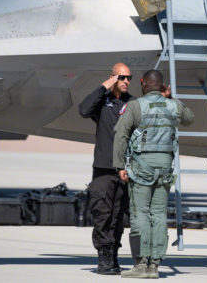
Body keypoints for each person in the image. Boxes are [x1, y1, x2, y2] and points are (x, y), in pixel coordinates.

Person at [113, 70, 194, 279]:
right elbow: (189, 118)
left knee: (141, 213)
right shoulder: (172, 105)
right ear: (163, 86)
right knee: (158, 214)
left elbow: (121, 135)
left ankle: (141, 265)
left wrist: (119, 165)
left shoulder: (135, 106)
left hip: (142, 166)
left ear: (143, 84)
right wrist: (171, 97)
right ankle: (154, 264)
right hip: (165, 167)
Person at [78, 63, 135, 275]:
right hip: (103, 168)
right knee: (102, 214)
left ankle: (114, 255)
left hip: (125, 170)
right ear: (112, 78)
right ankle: (103, 258)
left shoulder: (133, 104)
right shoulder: (103, 103)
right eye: (121, 77)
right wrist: (105, 86)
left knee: (118, 217)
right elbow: (83, 110)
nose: (126, 81)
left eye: (128, 77)